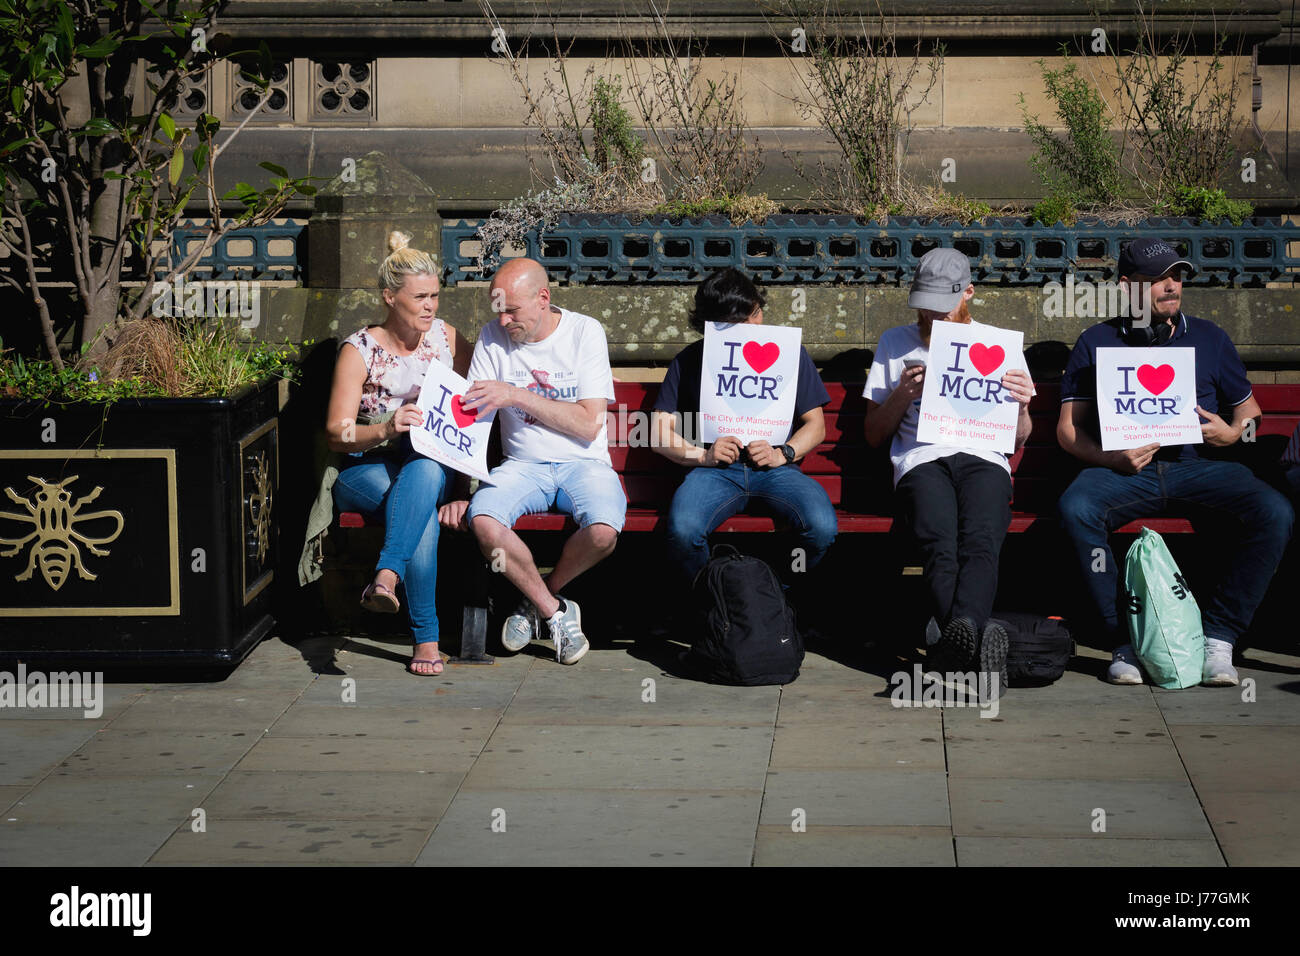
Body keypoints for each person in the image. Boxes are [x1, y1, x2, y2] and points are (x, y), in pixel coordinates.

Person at [1056, 237, 1294, 686]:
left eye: (1176, 276)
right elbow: (1068, 431)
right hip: (1126, 471)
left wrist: (1231, 434)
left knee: (1275, 511)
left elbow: (1252, 419)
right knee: (1075, 509)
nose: (1171, 286)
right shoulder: (1096, 341)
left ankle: (1219, 638)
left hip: (1203, 467)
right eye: (1158, 279)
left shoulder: (1210, 337)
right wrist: (1113, 457)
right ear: (1127, 287)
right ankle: (1123, 642)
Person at [438, 258, 624, 665]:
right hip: (522, 466)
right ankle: (555, 612)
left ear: (543, 299)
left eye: (512, 310)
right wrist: (459, 492)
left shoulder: (583, 332)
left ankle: (535, 599)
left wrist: (517, 395)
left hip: (584, 463)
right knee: (483, 522)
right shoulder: (491, 338)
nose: (503, 321)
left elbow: (589, 424)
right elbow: (472, 422)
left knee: (604, 532)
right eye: (498, 309)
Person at [864, 247, 1034, 679]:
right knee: (940, 543)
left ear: (968, 294)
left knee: (981, 539)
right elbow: (873, 434)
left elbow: (1017, 439)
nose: (932, 317)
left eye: (942, 306)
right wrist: (903, 393)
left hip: (983, 455)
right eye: (925, 306)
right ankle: (974, 646)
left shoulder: (999, 344)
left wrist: (1022, 406)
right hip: (921, 458)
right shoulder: (894, 343)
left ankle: (958, 644)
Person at [320, 231, 473, 676]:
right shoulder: (359, 349)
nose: (431, 306)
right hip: (363, 469)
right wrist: (386, 426)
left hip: (427, 466)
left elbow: (470, 415)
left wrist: (463, 488)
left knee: (423, 478)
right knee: (420, 507)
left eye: (435, 296)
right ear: (389, 297)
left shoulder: (446, 339)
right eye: (420, 297)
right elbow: (336, 432)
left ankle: (386, 578)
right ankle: (425, 638)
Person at [650, 268, 838, 594]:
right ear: (713, 323)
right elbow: (656, 432)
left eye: (756, 313)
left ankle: (778, 592)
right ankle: (713, 601)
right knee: (683, 530)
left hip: (777, 469)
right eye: (740, 320)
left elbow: (816, 424)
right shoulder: (690, 360)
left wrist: (785, 453)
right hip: (715, 471)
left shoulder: (790, 354)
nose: (753, 326)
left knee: (820, 528)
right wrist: (703, 455)